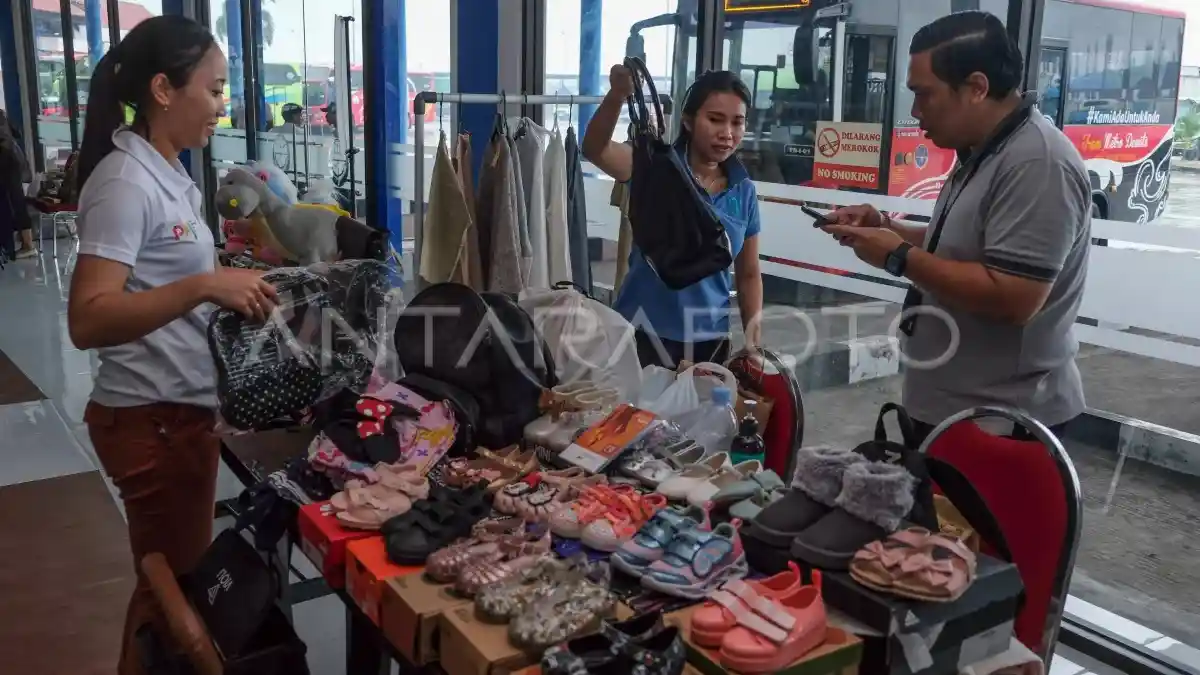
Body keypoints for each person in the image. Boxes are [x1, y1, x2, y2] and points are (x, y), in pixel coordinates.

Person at [66, 16, 277, 675]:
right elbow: (88, 318)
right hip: (152, 419)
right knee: (173, 598)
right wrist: (204, 286)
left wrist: (228, 283)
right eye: (213, 90)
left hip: (178, 411)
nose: (222, 106)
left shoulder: (168, 173)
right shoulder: (125, 183)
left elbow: (168, 280)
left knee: (169, 590)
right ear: (163, 89)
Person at [820, 11, 1089, 444]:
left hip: (1001, 424)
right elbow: (959, 247)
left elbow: (1014, 297)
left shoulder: (1037, 163)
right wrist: (885, 226)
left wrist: (896, 256)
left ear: (977, 87)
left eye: (924, 94)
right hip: (955, 409)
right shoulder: (985, 151)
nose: (915, 111)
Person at [583, 67, 763, 369]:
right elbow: (595, 150)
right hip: (639, 332)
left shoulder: (743, 190)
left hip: (709, 341)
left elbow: (749, 275)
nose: (727, 133)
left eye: (737, 122)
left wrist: (753, 343)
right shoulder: (655, 168)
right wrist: (617, 95)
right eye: (715, 119)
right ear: (688, 121)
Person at [0, 110, 37, 259]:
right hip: (13, 160)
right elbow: (17, 133)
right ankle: (25, 243)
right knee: (16, 202)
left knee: (15, 203)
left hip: (7, 162)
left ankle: (28, 245)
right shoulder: (1, 114)